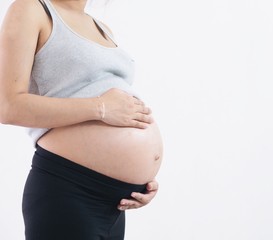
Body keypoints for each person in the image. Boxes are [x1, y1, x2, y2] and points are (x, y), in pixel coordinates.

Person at [0, 0, 163, 239]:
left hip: (115, 204)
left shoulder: (102, 28)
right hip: (68, 190)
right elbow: (8, 106)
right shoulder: (32, 9)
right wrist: (101, 108)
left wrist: (141, 181)